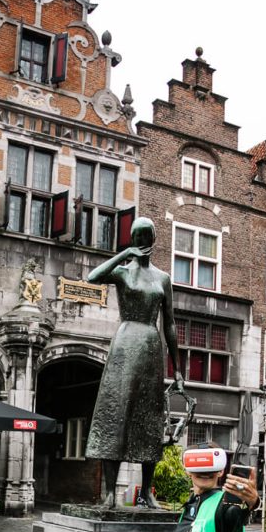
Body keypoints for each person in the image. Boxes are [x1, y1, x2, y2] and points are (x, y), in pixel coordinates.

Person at [85, 217, 183, 507]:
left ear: (152, 240)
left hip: (152, 345)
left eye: (144, 238)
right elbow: (93, 277)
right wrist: (124, 254)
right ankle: (110, 492)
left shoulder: (163, 278)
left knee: (148, 419)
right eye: (136, 238)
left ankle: (146, 492)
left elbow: (171, 325)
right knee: (115, 414)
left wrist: (177, 368)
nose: (142, 243)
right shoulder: (122, 272)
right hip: (126, 343)